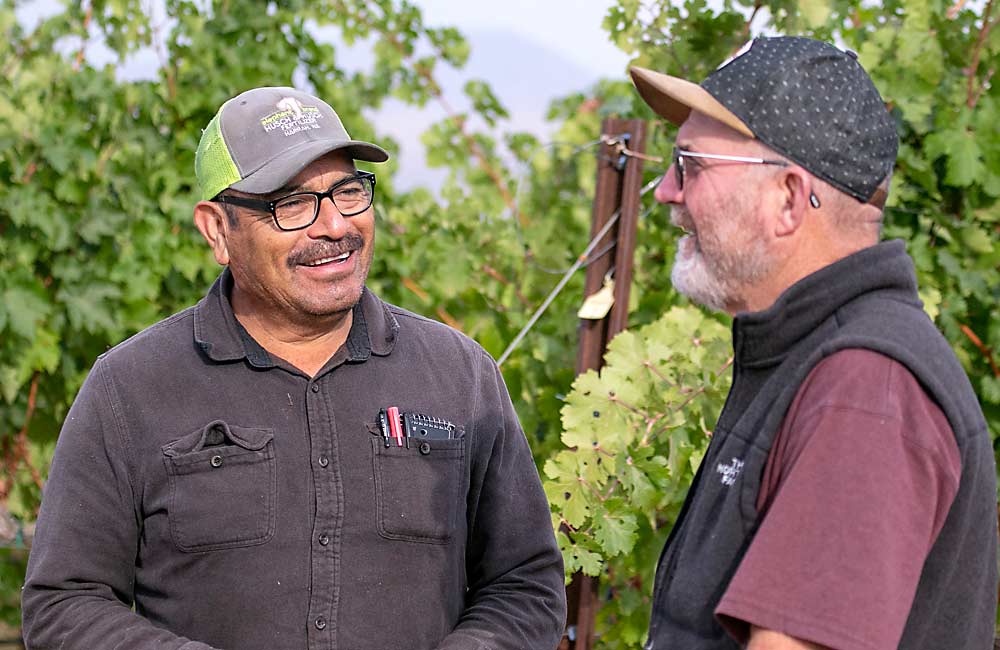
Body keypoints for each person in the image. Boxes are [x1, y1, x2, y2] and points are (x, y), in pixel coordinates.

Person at [21, 86, 566, 650]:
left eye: (348, 192)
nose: (334, 227)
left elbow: (526, 584)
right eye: (291, 204)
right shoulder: (130, 388)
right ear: (217, 230)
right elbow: (64, 602)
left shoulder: (460, 374)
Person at [629, 36, 997, 650]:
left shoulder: (865, 390)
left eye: (690, 163)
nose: (667, 190)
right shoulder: (814, 359)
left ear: (788, 200)